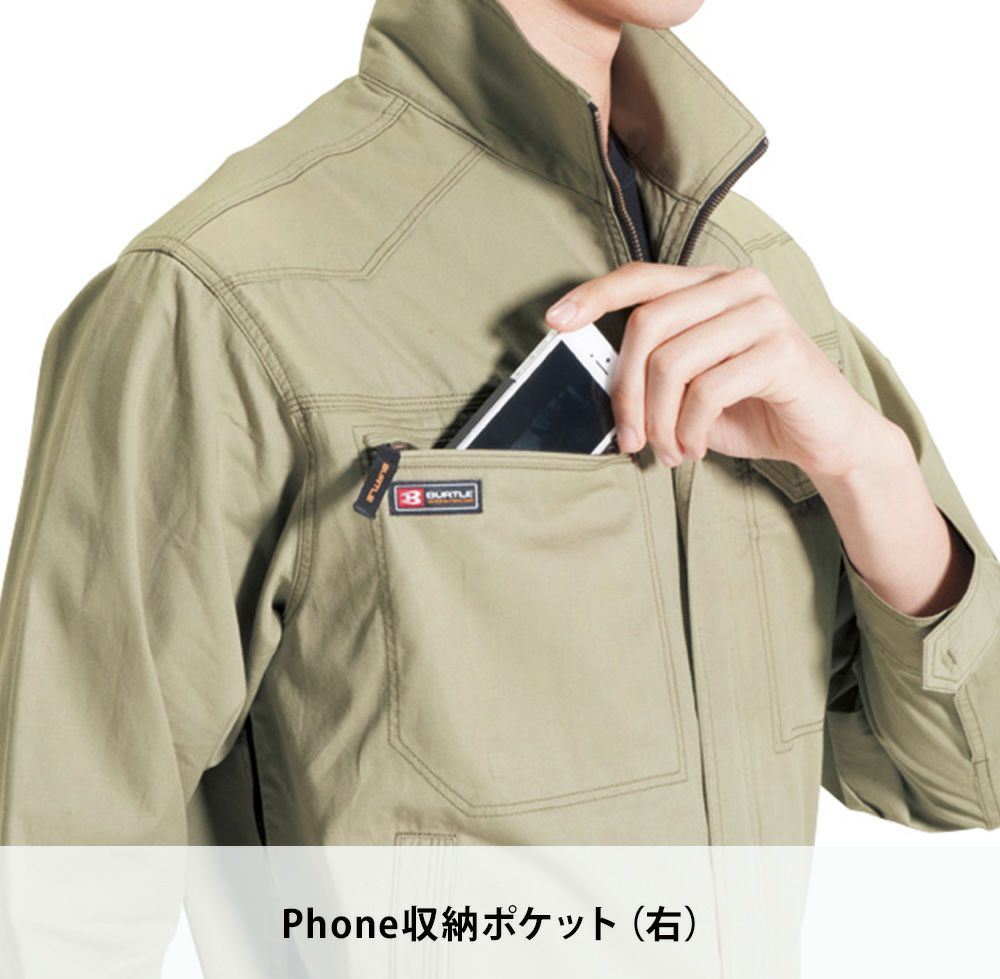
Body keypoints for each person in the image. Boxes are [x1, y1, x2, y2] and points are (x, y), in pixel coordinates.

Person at [0, 0, 998, 849]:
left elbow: (962, 781)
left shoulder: (759, 286)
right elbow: (57, 894)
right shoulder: (219, 300)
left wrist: (870, 470)